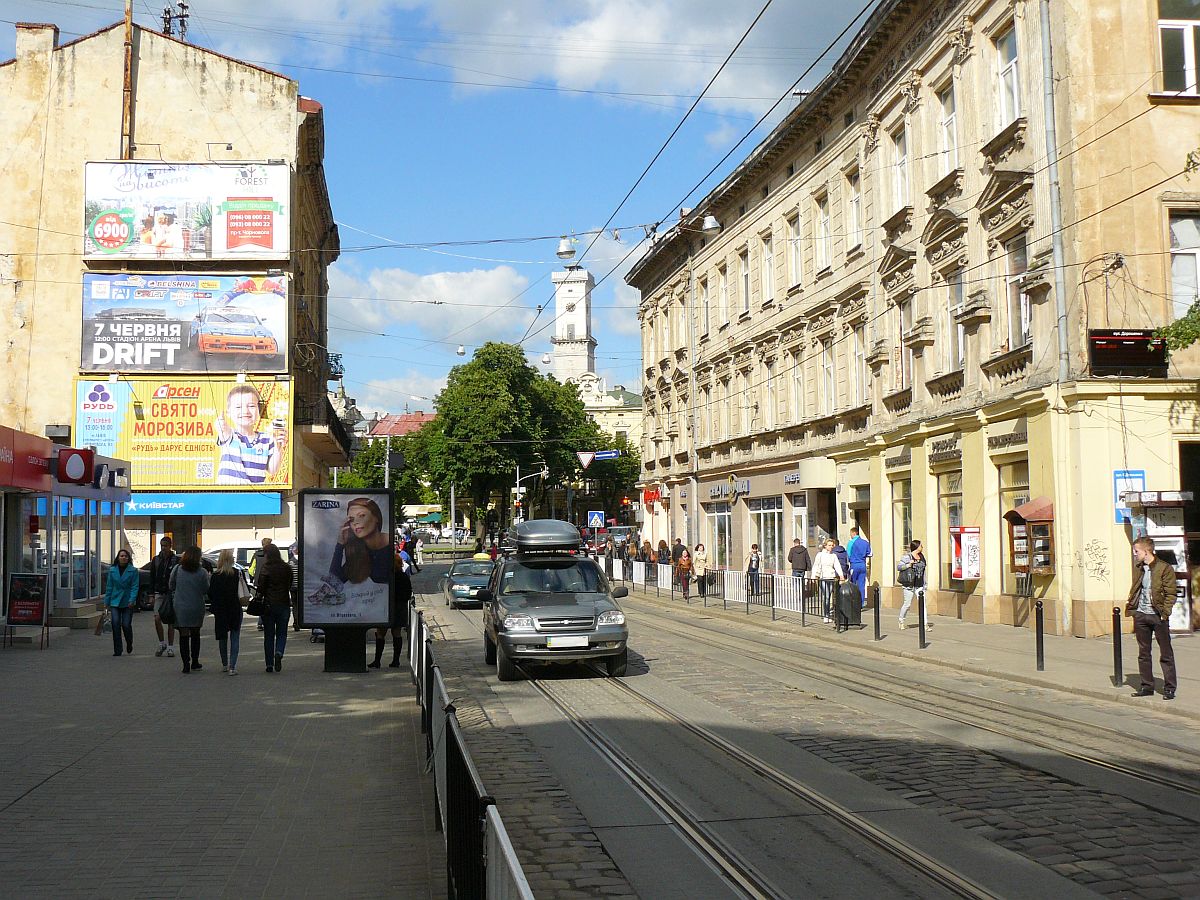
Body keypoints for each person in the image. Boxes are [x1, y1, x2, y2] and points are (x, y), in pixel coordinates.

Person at [1126, 536, 1177, 700]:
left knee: (1166, 653)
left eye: (1136, 551)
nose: (1135, 554)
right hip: (1141, 615)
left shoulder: (1164, 568)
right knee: (1143, 653)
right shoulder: (1140, 568)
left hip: (1158, 615)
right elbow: (1137, 589)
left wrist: (1165, 612)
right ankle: (1147, 686)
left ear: (1146, 551)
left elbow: (1171, 593)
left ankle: (1169, 688)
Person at [214, 383, 285, 485]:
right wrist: (221, 425)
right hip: (228, 495)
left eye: (251, 406)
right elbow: (223, 431)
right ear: (228, 412)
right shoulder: (230, 435)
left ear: (259, 410)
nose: (245, 411)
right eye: (238, 407)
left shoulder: (267, 439)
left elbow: (272, 470)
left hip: (255, 496)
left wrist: (278, 448)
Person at [330, 497, 392, 584]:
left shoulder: (391, 545)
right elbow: (334, 581)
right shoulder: (358, 551)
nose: (355, 522)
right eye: (351, 519)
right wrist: (340, 545)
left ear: (376, 517)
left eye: (361, 515)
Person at [170, 546, 210, 674]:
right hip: (196, 606)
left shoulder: (177, 569)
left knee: (183, 634)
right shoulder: (202, 572)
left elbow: (171, 585)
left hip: (180, 606)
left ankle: (185, 664)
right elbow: (206, 590)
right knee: (195, 633)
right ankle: (195, 661)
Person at [256, 544, 293, 673]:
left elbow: (261, 588)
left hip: (268, 605)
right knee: (282, 633)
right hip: (283, 604)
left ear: (268, 555)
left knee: (269, 635)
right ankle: (279, 652)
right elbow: (289, 584)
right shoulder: (286, 568)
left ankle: (269, 664)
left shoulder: (266, 568)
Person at [208, 549, 245, 675]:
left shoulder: (215, 576)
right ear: (231, 560)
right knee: (235, 638)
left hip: (220, 610)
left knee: (222, 638)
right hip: (234, 608)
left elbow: (211, 594)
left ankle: (224, 664)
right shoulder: (237, 573)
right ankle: (232, 666)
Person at [370, 554, 410, 669]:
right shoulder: (403, 577)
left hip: (386, 607)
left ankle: (377, 661)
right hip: (399, 607)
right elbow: (408, 593)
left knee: (380, 633)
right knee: (396, 633)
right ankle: (395, 661)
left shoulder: (386, 577)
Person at [104, 549, 139, 656]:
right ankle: (117, 649)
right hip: (115, 601)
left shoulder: (133, 571)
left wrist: (132, 599)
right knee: (115, 624)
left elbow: (135, 586)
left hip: (127, 601)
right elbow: (109, 587)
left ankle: (129, 642)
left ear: (128, 558)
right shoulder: (112, 570)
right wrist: (106, 602)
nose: (124, 558)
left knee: (126, 625)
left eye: (125, 556)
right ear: (118, 558)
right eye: (121, 556)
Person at [149, 536, 178, 657]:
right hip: (159, 593)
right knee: (157, 618)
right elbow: (152, 578)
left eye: (166, 545)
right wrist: (151, 594)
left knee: (171, 621)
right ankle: (162, 643)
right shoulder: (156, 560)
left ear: (170, 546)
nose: (163, 548)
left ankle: (171, 647)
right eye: (162, 546)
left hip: (171, 594)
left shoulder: (175, 560)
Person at [896, 540, 929, 631]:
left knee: (922, 604)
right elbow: (899, 567)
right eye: (921, 545)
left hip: (919, 585)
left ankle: (925, 624)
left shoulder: (922, 557)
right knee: (907, 604)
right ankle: (901, 621)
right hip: (909, 585)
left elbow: (923, 571)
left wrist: (925, 583)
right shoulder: (907, 556)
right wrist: (908, 565)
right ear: (917, 546)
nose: (922, 547)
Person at [812, 538, 845, 623]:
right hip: (823, 577)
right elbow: (816, 565)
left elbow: (837, 565)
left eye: (832, 545)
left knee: (829, 596)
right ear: (825, 546)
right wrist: (813, 577)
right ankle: (826, 615)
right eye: (829, 545)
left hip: (831, 577)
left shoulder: (833, 555)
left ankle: (828, 614)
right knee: (826, 596)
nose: (831, 547)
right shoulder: (820, 555)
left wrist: (841, 575)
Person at [847, 527, 872, 608]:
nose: (850, 535)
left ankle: (853, 603)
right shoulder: (866, 542)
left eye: (850, 534)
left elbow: (848, 554)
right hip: (862, 565)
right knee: (861, 585)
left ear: (853, 533)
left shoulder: (851, 542)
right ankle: (861, 604)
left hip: (854, 565)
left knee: (853, 584)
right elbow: (870, 554)